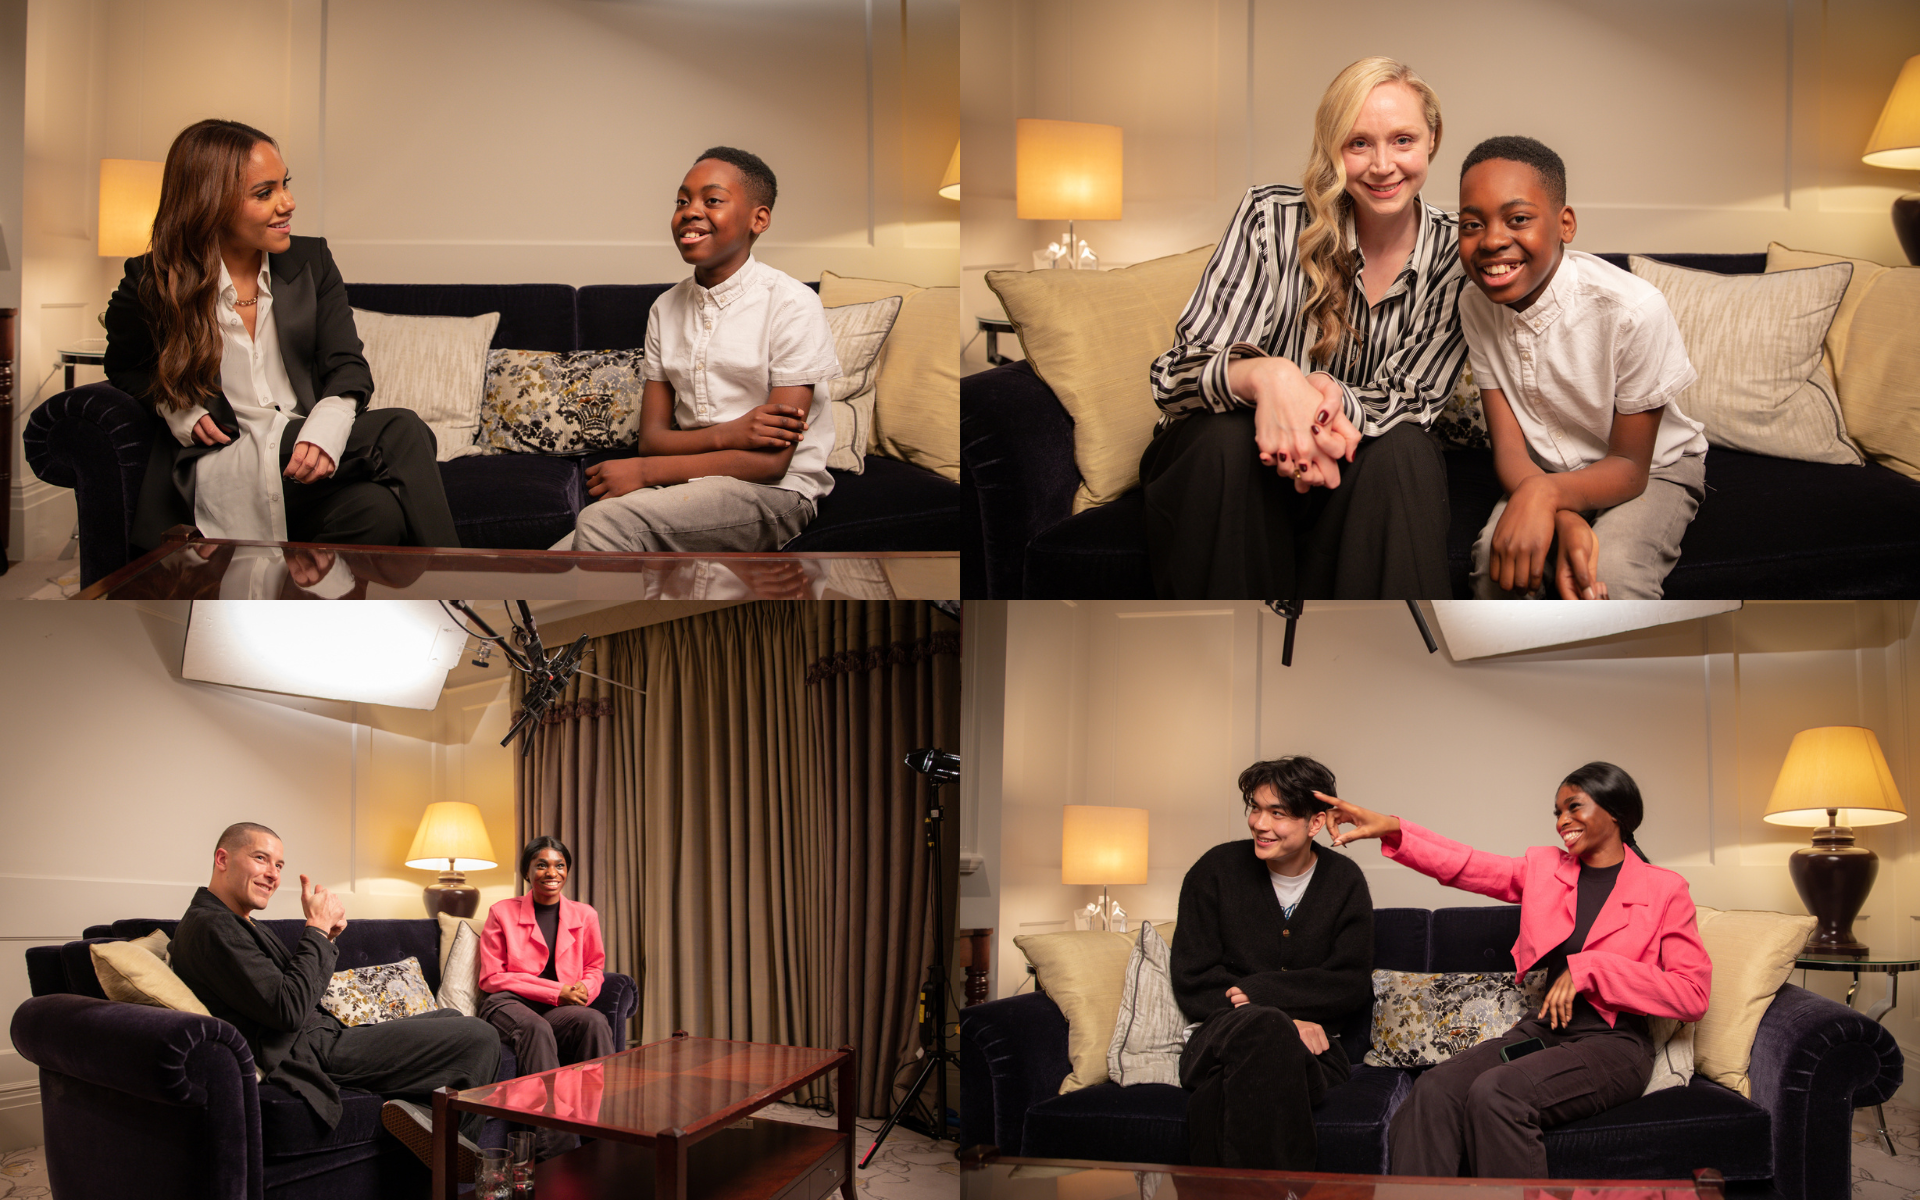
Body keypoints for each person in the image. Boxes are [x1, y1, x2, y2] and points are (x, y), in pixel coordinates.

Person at [1144, 57, 1470, 599]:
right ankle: (1230, 656)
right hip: (1235, 464)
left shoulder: (1457, 253)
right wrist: (1271, 378)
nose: (1382, 165)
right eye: (1358, 142)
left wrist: (1319, 400)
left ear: (1432, 140)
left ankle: (1389, 665)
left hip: (1354, 469)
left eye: (1403, 140)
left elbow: (1414, 397)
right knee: (1223, 438)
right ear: (1331, 146)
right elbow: (1174, 376)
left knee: (1407, 449)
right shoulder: (1268, 219)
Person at [1320, 763, 1711, 1178]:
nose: (1562, 821)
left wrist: (1593, 968)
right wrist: (1392, 828)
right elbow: (1468, 865)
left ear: (1616, 812)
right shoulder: (1545, 870)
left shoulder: (1665, 889)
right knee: (1434, 1089)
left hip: (1614, 1045)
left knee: (1497, 1093)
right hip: (1543, 1033)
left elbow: (1692, 995)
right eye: (1557, 812)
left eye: (1573, 807)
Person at [104, 119, 459, 562]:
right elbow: (123, 366)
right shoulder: (153, 280)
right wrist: (176, 407)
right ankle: (460, 599)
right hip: (226, 459)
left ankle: (311, 622)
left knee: (378, 511)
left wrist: (328, 423)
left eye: (284, 184)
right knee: (402, 430)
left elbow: (346, 364)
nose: (287, 203)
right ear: (209, 202)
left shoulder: (311, 261)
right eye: (264, 192)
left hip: (298, 458)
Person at [168, 822, 499, 1179]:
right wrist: (316, 930)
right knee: (480, 1037)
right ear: (222, 859)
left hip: (325, 1035)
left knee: (448, 1015)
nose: (272, 874)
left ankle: (422, 1118)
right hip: (314, 1051)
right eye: (261, 859)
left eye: (278, 865)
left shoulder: (239, 921)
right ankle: (449, 1161)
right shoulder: (212, 926)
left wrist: (327, 938)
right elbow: (289, 1010)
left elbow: (300, 989)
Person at [1456, 136, 1707, 599]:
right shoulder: (1475, 303)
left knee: (1608, 572)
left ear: (1565, 223)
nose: (1491, 240)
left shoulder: (1634, 310)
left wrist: (1546, 498)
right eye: (1472, 223)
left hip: (1652, 469)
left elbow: (1631, 467)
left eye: (1518, 219)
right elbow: (1511, 451)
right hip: (1544, 472)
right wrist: (1563, 515)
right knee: (1498, 559)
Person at [555, 147, 842, 552]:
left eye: (712, 200)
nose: (690, 211)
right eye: (681, 201)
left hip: (774, 492)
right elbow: (653, 438)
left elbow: (771, 462)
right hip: (685, 485)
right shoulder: (665, 308)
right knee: (545, 566)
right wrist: (733, 432)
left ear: (758, 219)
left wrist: (645, 472)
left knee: (602, 523)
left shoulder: (792, 304)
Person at [1170, 757, 1374, 1171]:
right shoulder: (1215, 871)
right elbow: (1194, 978)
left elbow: (1350, 983)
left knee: (1228, 1086)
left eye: (1277, 813)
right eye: (1255, 808)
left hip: (1314, 1052)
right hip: (1216, 1041)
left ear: (1315, 822)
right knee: (1265, 1029)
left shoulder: (1344, 881)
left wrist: (1261, 995)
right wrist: (1280, 1019)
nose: (1259, 823)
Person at [477, 836, 616, 1159]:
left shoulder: (585, 915)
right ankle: (555, 1153)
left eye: (559, 865)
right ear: (527, 872)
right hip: (507, 1002)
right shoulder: (502, 912)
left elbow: (595, 965)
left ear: (567, 871)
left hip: (558, 1007)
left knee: (594, 1022)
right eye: (541, 865)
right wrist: (556, 991)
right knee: (535, 1031)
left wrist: (585, 988)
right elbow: (491, 976)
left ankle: (605, 1139)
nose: (550, 872)